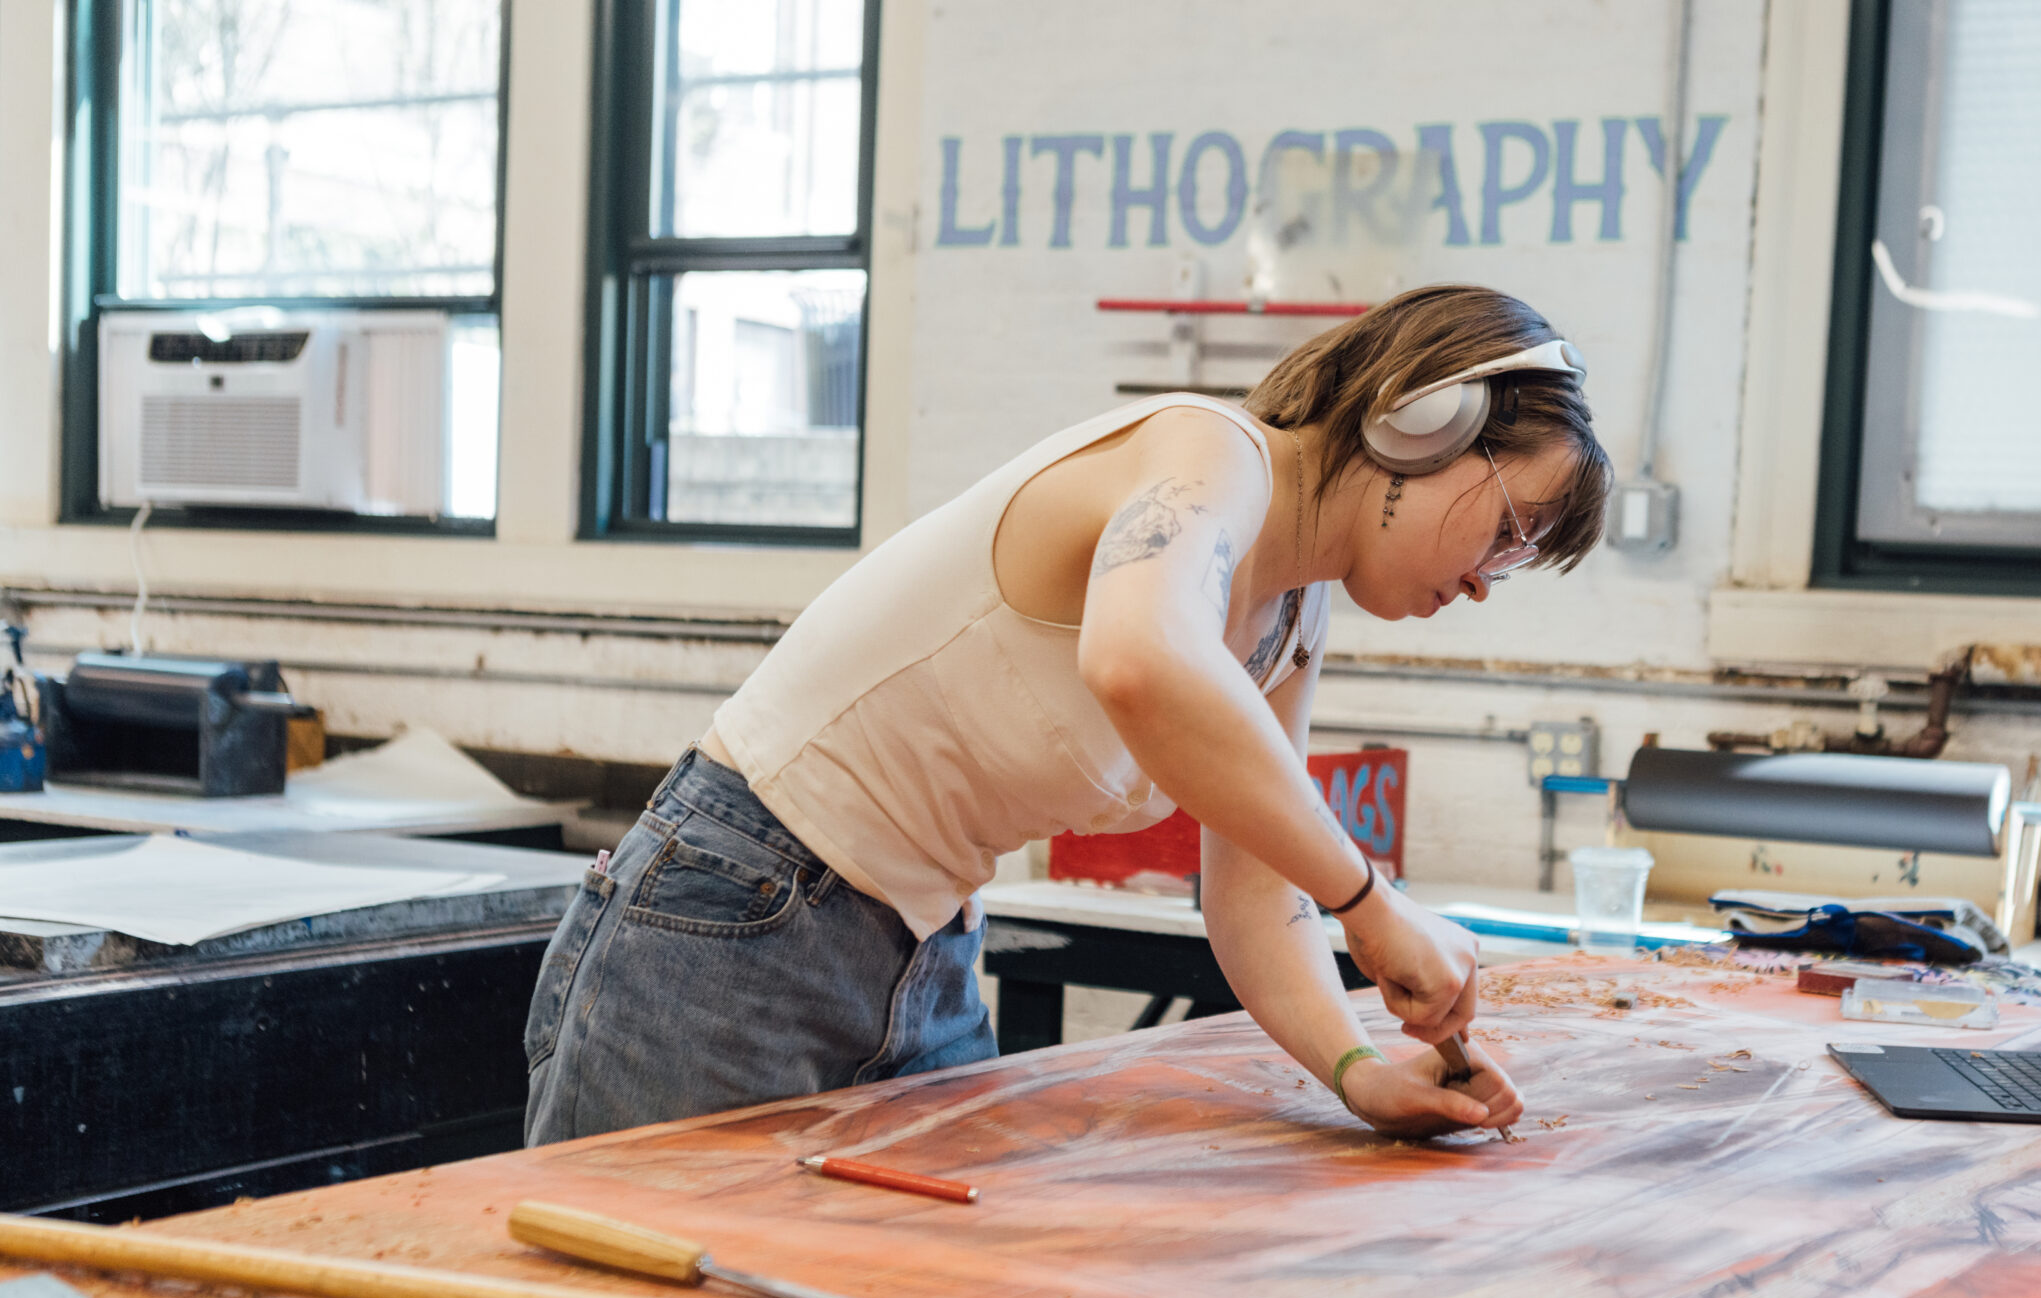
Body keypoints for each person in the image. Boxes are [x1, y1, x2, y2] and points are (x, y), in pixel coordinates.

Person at [523, 283, 1612, 1147]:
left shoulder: (1289, 615)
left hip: (919, 942)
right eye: (1510, 529)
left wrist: (1357, 1068)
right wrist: (1374, 902)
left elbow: (1253, 893)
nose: (1486, 580)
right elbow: (1139, 659)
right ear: (1427, 422)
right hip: (735, 908)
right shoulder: (1209, 455)